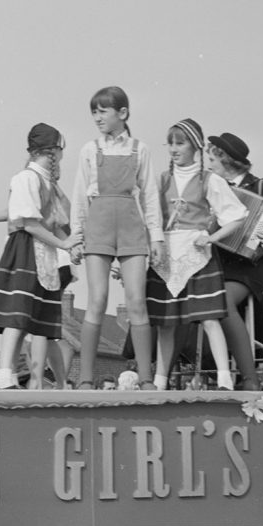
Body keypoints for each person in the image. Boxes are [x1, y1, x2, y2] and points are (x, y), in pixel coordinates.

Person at [69, 86, 163, 391]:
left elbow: (149, 196)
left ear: (122, 113)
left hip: (131, 228)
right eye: (93, 112)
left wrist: (157, 239)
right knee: (97, 300)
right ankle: (85, 378)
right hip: (98, 227)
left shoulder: (140, 149)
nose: (97, 117)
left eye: (103, 111)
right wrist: (76, 237)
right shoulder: (89, 150)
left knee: (137, 300)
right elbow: (79, 198)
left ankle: (146, 378)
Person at [146, 119, 248, 390]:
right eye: (170, 143)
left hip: (196, 255)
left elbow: (237, 215)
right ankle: (159, 381)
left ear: (196, 146)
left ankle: (225, 379)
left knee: (210, 317)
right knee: (166, 322)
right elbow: (151, 217)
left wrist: (211, 237)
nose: (173, 149)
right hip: (166, 256)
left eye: (180, 143)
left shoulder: (209, 180)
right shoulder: (161, 180)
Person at [0, 123, 80, 389]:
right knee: (18, 314)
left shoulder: (48, 183)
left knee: (32, 318)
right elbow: (29, 223)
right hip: (26, 250)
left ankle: (23, 376)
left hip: (43, 253)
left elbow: (60, 221)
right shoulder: (27, 178)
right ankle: (5, 374)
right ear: (51, 151)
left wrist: (72, 244)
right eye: (59, 151)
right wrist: (64, 245)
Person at [205, 131, 263, 391]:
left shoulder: (262, 187)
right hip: (218, 262)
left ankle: (250, 378)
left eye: (213, 161)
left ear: (226, 161)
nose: (209, 166)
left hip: (250, 266)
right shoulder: (210, 188)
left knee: (223, 300)